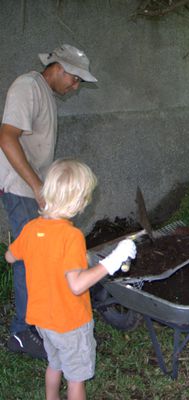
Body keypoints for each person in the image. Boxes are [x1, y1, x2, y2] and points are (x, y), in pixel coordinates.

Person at [5, 159, 136, 400]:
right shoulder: (71, 236)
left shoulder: (31, 228)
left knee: (55, 364)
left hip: (43, 321)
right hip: (70, 323)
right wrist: (113, 261)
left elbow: (10, 256)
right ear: (80, 202)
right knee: (76, 379)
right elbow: (76, 285)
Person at [0, 44, 97, 358]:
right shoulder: (27, 86)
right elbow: (6, 137)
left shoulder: (45, 94)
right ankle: (22, 332)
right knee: (30, 260)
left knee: (39, 259)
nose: (76, 85)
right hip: (21, 189)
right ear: (58, 67)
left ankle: (41, 325)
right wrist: (38, 186)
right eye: (75, 78)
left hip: (34, 190)